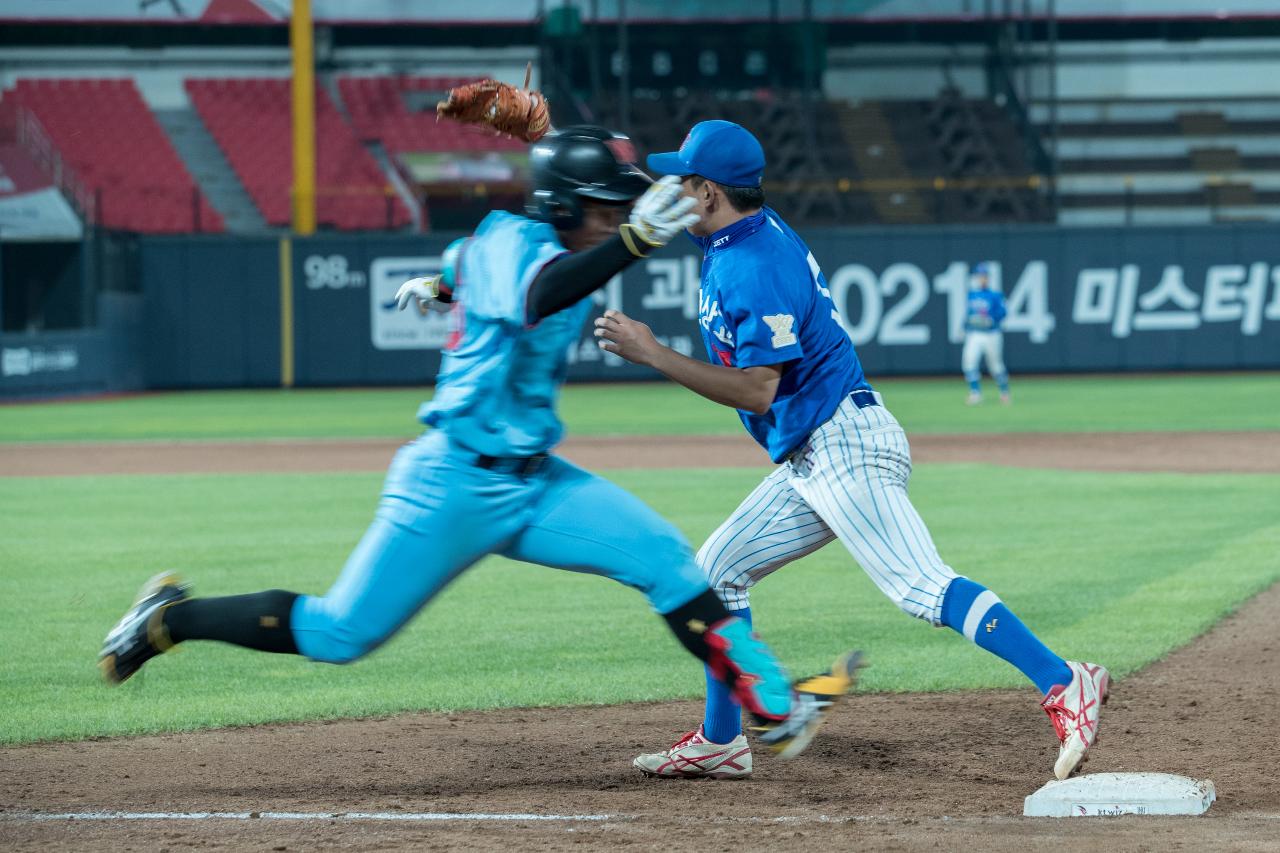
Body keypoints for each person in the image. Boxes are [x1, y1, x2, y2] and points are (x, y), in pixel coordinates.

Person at [98, 126, 861, 762]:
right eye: (605, 209)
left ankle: (769, 704)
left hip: (534, 484)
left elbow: (465, 267)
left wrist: (438, 285)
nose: (618, 217)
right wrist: (629, 238)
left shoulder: (527, 244)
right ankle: (170, 617)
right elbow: (537, 292)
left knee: (667, 559)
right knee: (339, 633)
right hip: (454, 483)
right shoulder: (518, 242)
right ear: (565, 206)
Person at [593, 120, 1107, 781]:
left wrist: (652, 352)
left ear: (710, 192)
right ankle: (721, 740)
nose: (674, 193)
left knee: (919, 583)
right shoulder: (740, 225)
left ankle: (1064, 679)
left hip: (844, 444)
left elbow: (756, 390)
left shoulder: (752, 267)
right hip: (814, 451)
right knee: (713, 572)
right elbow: (665, 186)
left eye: (685, 183)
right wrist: (599, 155)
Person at [962, 262, 1011, 405]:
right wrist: (965, 326)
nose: (982, 278)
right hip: (975, 333)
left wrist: (992, 319)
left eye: (984, 276)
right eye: (980, 276)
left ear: (988, 278)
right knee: (969, 361)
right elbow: (969, 314)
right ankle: (975, 393)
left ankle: (1004, 392)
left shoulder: (995, 295)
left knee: (995, 365)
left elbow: (1003, 312)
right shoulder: (972, 295)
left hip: (991, 334)